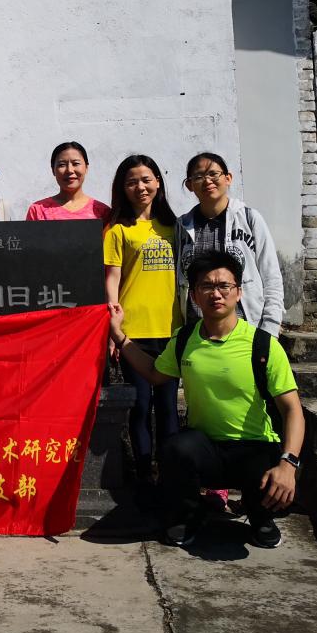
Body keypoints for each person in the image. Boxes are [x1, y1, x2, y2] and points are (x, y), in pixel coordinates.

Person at [110, 251, 304, 549]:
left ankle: (261, 518)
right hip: (206, 449)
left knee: (267, 471)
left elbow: (292, 410)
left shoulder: (263, 345)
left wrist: (289, 464)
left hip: (253, 449)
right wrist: (119, 335)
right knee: (175, 448)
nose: (216, 293)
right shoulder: (185, 340)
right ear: (195, 296)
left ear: (238, 292)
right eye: (206, 286)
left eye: (224, 285)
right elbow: (153, 373)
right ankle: (188, 516)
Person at [104, 155, 180, 485]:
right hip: (133, 332)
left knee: (168, 408)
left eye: (146, 179)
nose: (140, 187)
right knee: (139, 407)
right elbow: (112, 279)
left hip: (172, 329)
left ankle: (171, 475)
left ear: (158, 182)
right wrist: (114, 328)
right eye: (132, 182)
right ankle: (145, 475)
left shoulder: (176, 227)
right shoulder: (118, 229)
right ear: (123, 188)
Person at [177, 152, 284, 335]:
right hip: (197, 332)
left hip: (247, 328)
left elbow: (271, 277)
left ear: (228, 178)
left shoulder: (249, 219)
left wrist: (270, 329)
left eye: (213, 174)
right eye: (199, 176)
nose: (207, 181)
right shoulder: (182, 226)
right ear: (189, 185)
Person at [26, 141, 110, 222]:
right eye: (62, 165)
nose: (69, 170)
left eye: (76, 163)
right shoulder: (38, 210)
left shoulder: (102, 212)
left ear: (86, 168)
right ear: (53, 170)